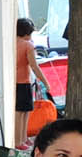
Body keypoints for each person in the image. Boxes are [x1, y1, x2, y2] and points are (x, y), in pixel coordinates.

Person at [15, 17, 53, 148]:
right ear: (27, 33)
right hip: (24, 81)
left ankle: (22, 138)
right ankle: (19, 140)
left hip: (15, 81)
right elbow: (34, 66)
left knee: (22, 111)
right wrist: (45, 82)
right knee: (23, 112)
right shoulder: (28, 45)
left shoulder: (11, 44)